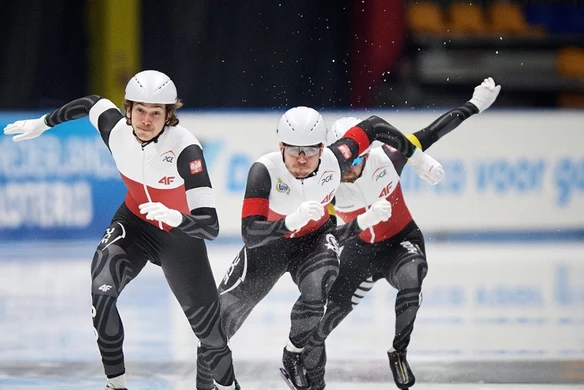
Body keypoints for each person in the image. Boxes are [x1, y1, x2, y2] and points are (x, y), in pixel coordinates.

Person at [3, 70, 240, 390]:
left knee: (210, 336)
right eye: (140, 110)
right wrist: (44, 123)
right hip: (133, 224)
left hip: (179, 237)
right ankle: (117, 386)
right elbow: (90, 104)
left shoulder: (187, 149)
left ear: (169, 116)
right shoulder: (115, 129)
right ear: (128, 110)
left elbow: (210, 225)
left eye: (156, 113)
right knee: (101, 293)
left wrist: (176, 217)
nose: (146, 120)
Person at [196, 106, 445, 390]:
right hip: (268, 248)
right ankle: (206, 385)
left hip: (313, 242)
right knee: (218, 325)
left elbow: (374, 125)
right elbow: (250, 233)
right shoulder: (263, 171)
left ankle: (296, 358)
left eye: (310, 151)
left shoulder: (337, 160)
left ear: (323, 148)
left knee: (320, 288)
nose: (302, 159)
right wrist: (289, 222)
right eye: (293, 151)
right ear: (280, 147)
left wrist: (418, 159)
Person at [301, 77, 502, 390]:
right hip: (360, 251)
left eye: (359, 159)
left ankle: (399, 352)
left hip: (401, 242)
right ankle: (311, 375)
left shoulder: (391, 155)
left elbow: (433, 132)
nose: (351, 168)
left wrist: (474, 105)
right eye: (346, 162)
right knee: (322, 325)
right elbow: (328, 239)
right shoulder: (329, 188)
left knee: (413, 277)